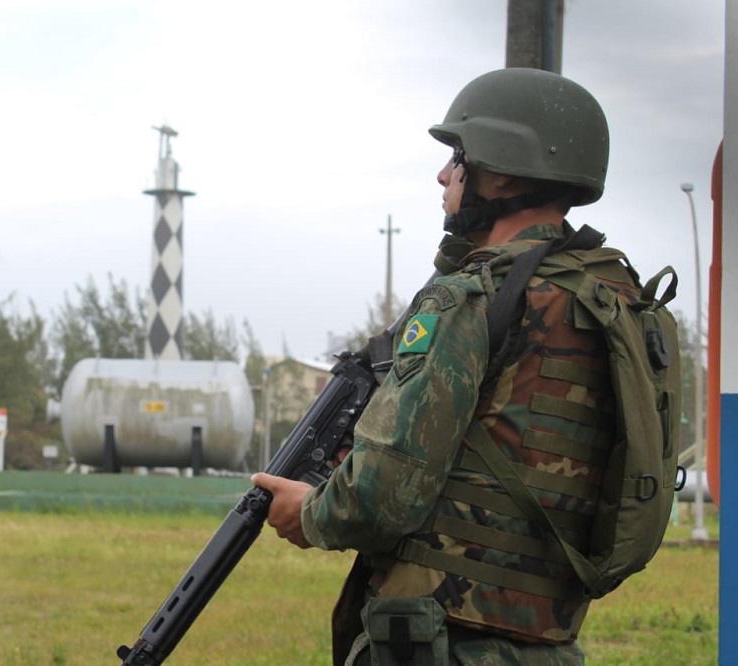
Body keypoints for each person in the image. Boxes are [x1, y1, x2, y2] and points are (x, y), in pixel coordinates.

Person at [251, 68, 628, 665]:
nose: (444, 174)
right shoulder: (612, 302)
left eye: (458, 156)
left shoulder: (471, 297)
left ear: (500, 169)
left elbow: (383, 498)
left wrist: (312, 511)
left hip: (442, 641)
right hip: (549, 643)